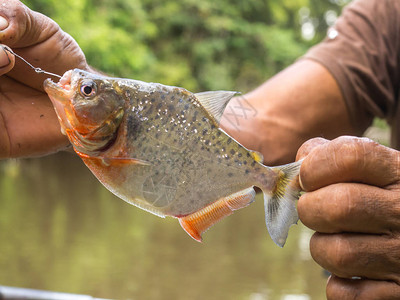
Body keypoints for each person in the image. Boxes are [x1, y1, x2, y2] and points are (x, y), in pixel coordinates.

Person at [0, 0, 399, 298]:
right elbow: (261, 124)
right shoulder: (385, 19)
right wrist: (75, 102)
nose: (80, 91)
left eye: (87, 92)